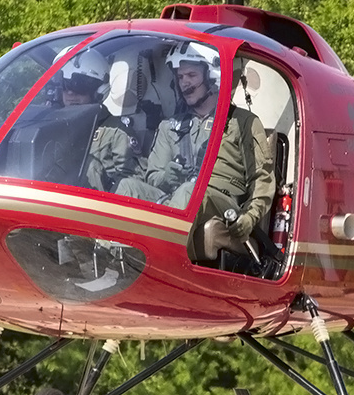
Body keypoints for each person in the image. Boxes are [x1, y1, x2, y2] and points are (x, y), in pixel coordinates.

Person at [116, 42, 274, 248]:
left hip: (222, 201)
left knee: (189, 191)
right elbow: (153, 177)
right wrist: (168, 176)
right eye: (180, 77)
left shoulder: (242, 121)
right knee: (128, 187)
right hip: (178, 197)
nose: (184, 83)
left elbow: (262, 177)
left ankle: (158, 254)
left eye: (191, 75)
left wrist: (250, 217)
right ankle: (109, 259)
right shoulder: (169, 127)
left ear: (211, 77)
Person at [52, 46, 140, 192]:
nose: (70, 93)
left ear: (98, 90)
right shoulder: (51, 129)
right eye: (64, 84)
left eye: (79, 85)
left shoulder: (116, 132)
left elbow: (132, 186)